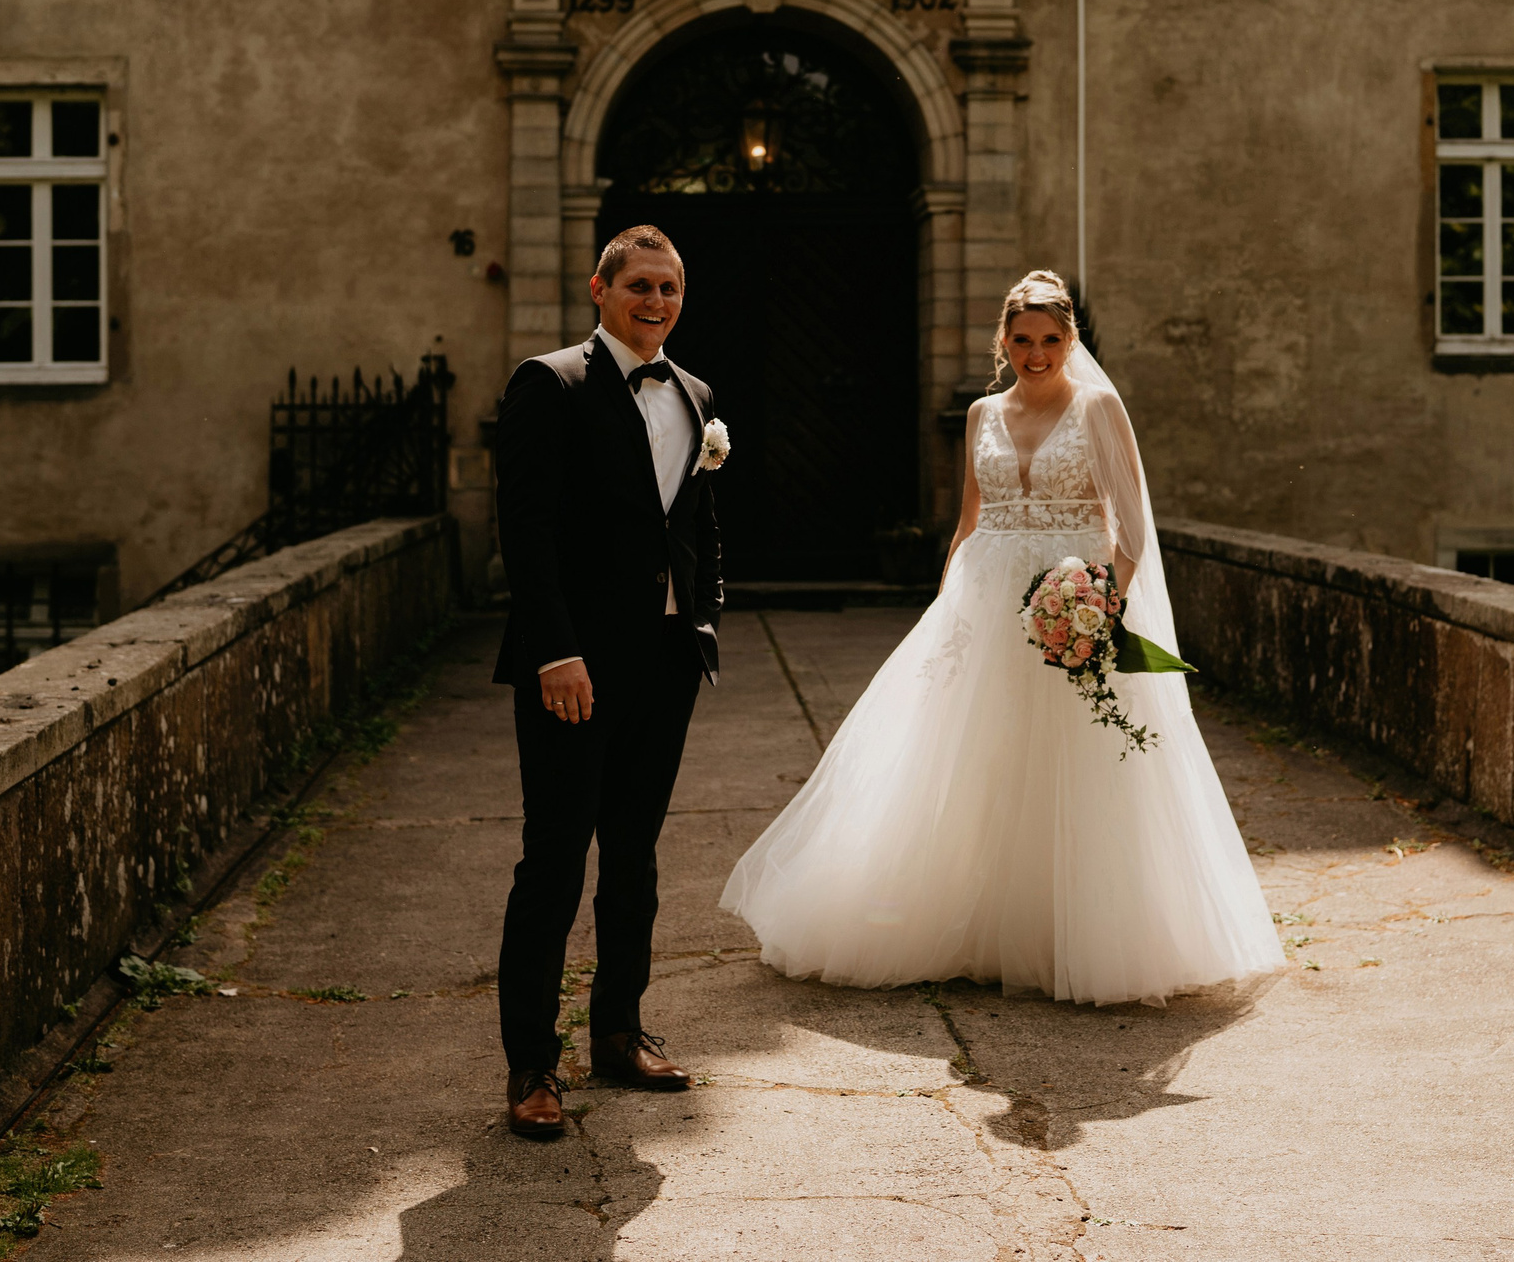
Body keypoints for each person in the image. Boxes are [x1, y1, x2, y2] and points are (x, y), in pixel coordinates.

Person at [721, 270, 1282, 1004]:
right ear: (1004, 339)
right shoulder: (981, 413)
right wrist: (947, 606)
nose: (1037, 352)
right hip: (985, 608)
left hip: (1074, 602)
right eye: (1022, 339)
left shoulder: (1099, 407)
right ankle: (969, 922)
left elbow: (1132, 525)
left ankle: (1072, 934)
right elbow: (968, 520)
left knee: (1076, 765)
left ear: (1071, 339)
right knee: (970, 757)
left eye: (1051, 339)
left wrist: (1098, 604)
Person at [491, 225, 724, 1138]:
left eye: (669, 287)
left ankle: (620, 1033)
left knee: (634, 857)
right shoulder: (549, 383)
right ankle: (531, 1065)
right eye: (639, 285)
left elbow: (697, 519)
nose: (655, 301)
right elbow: (528, 527)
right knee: (553, 862)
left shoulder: (697, 394)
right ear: (599, 288)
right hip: (573, 669)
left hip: (665, 662)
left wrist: (704, 611)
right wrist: (554, 651)